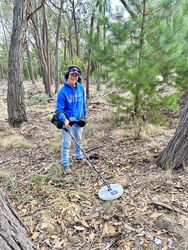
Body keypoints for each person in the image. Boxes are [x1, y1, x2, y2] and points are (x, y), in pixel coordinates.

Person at [55, 66, 87, 173]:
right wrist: (65, 121)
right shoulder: (62, 92)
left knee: (79, 140)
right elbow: (59, 110)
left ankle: (79, 156)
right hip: (68, 122)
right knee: (66, 144)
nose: (74, 77)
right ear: (67, 75)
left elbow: (84, 104)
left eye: (76, 75)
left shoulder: (81, 88)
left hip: (79, 121)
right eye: (72, 75)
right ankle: (66, 164)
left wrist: (84, 116)